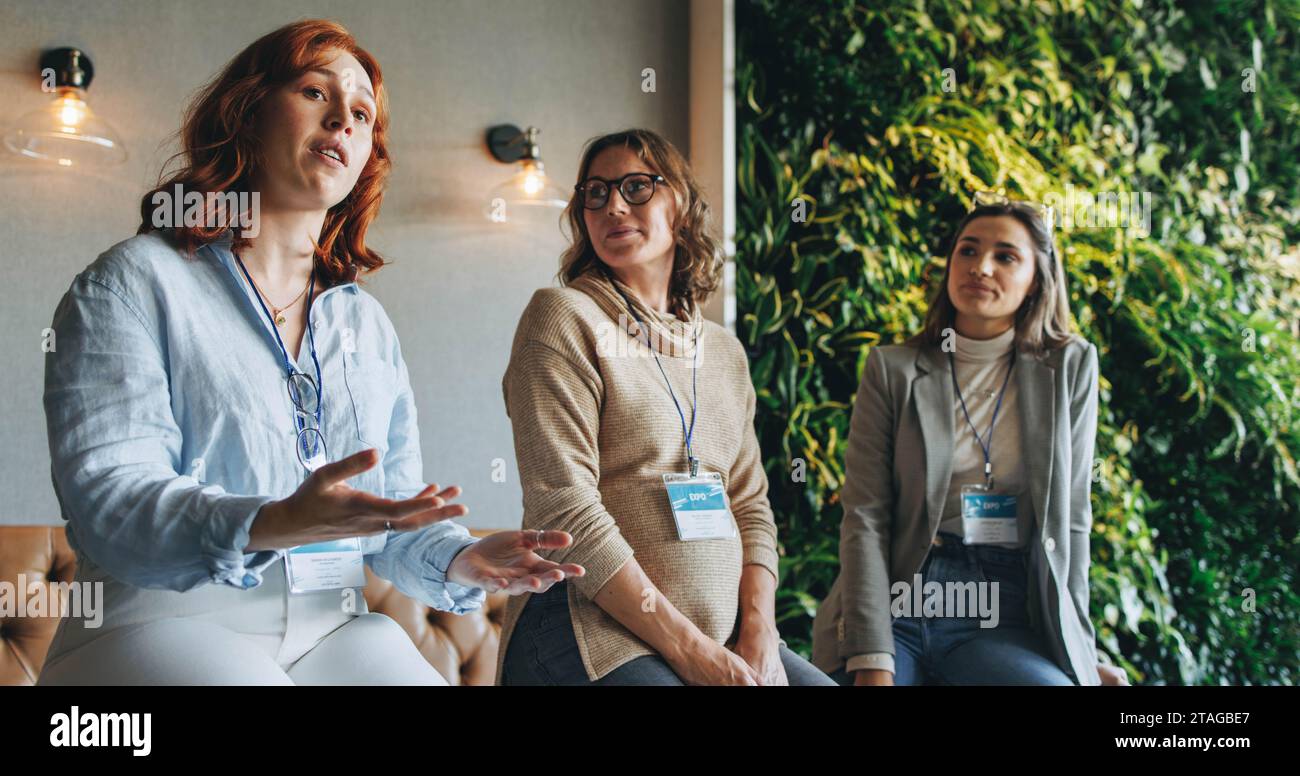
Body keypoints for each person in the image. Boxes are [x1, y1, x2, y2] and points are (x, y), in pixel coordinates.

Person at [39, 19, 582, 687]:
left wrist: (460, 561)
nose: (343, 122)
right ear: (247, 111)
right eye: (314, 92)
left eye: (361, 112)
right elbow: (111, 502)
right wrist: (268, 521)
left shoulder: (366, 323)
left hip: (331, 628)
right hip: (159, 624)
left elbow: (391, 517)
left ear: (365, 162)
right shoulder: (133, 283)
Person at [496, 129, 835, 686]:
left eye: (636, 187)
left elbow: (750, 504)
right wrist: (689, 650)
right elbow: (565, 509)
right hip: (588, 626)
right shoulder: (562, 318)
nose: (614, 206)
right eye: (596, 193)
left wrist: (760, 632)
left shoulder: (723, 351)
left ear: (679, 202)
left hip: (718, 634)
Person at [812, 193, 1128, 686]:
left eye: (1006, 256)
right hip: (901, 595)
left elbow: (1072, 520)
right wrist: (873, 657)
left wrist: (1080, 653)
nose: (980, 266)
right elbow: (866, 518)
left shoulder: (1069, 367)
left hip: (1004, 609)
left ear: (1037, 279)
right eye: (968, 249)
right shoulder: (893, 369)